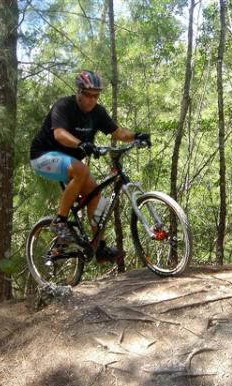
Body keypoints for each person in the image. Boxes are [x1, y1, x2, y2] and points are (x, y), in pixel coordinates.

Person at [30, 70, 150, 263]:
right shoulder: (64, 106)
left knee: (95, 193)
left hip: (70, 163)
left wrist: (137, 135)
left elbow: (118, 132)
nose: (92, 100)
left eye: (96, 96)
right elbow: (59, 134)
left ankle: (99, 247)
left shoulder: (97, 112)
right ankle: (60, 222)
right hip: (42, 157)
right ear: (78, 91)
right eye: (88, 95)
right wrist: (80, 144)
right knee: (81, 170)